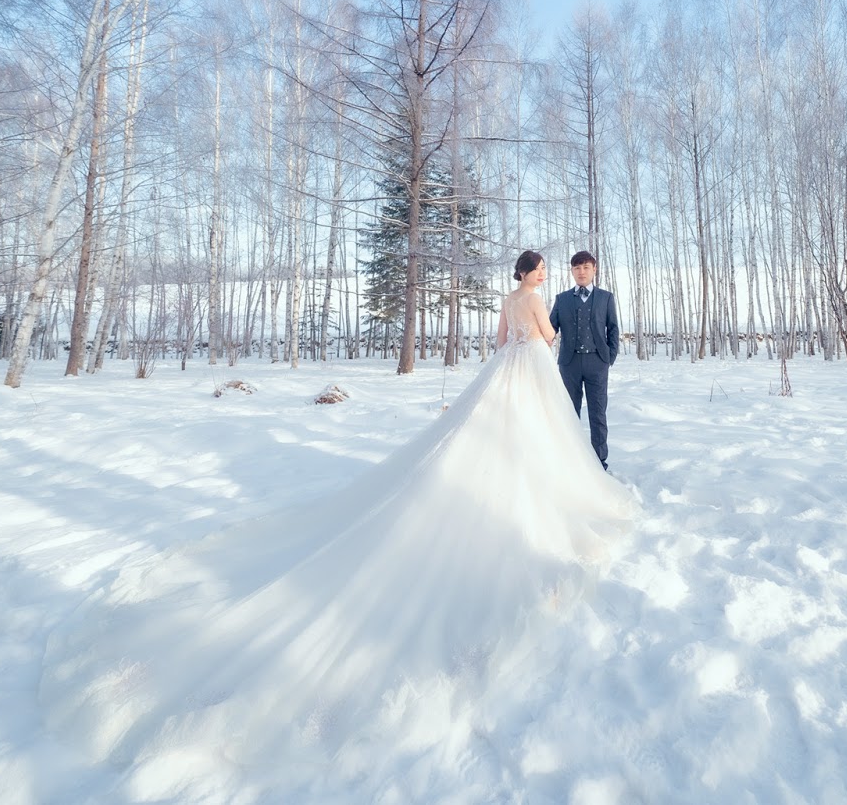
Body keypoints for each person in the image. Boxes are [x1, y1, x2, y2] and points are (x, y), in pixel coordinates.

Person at [40, 251, 636, 765]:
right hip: (531, 376)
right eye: (543, 269)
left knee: (514, 434)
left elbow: (502, 343)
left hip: (503, 374)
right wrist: (551, 338)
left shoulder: (508, 301)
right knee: (542, 435)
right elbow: (546, 339)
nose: (548, 274)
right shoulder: (534, 299)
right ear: (531, 273)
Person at [549, 250, 620, 471]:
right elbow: (550, 329)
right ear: (571, 271)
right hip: (569, 363)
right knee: (569, 413)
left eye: (586, 267)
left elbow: (613, 328)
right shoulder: (562, 299)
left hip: (597, 362)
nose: (582, 272)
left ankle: (599, 463)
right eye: (577, 268)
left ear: (594, 270)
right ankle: (570, 460)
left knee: (598, 413)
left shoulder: (606, 297)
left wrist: (610, 357)